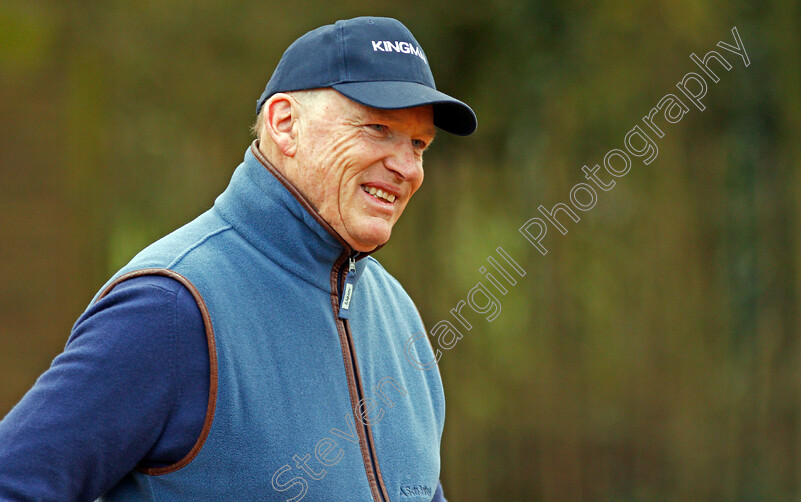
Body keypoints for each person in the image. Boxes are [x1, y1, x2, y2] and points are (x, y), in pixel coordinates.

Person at [0, 16, 476, 501]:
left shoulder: (399, 318)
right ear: (285, 124)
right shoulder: (169, 308)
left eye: (419, 144)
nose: (407, 167)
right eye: (378, 128)